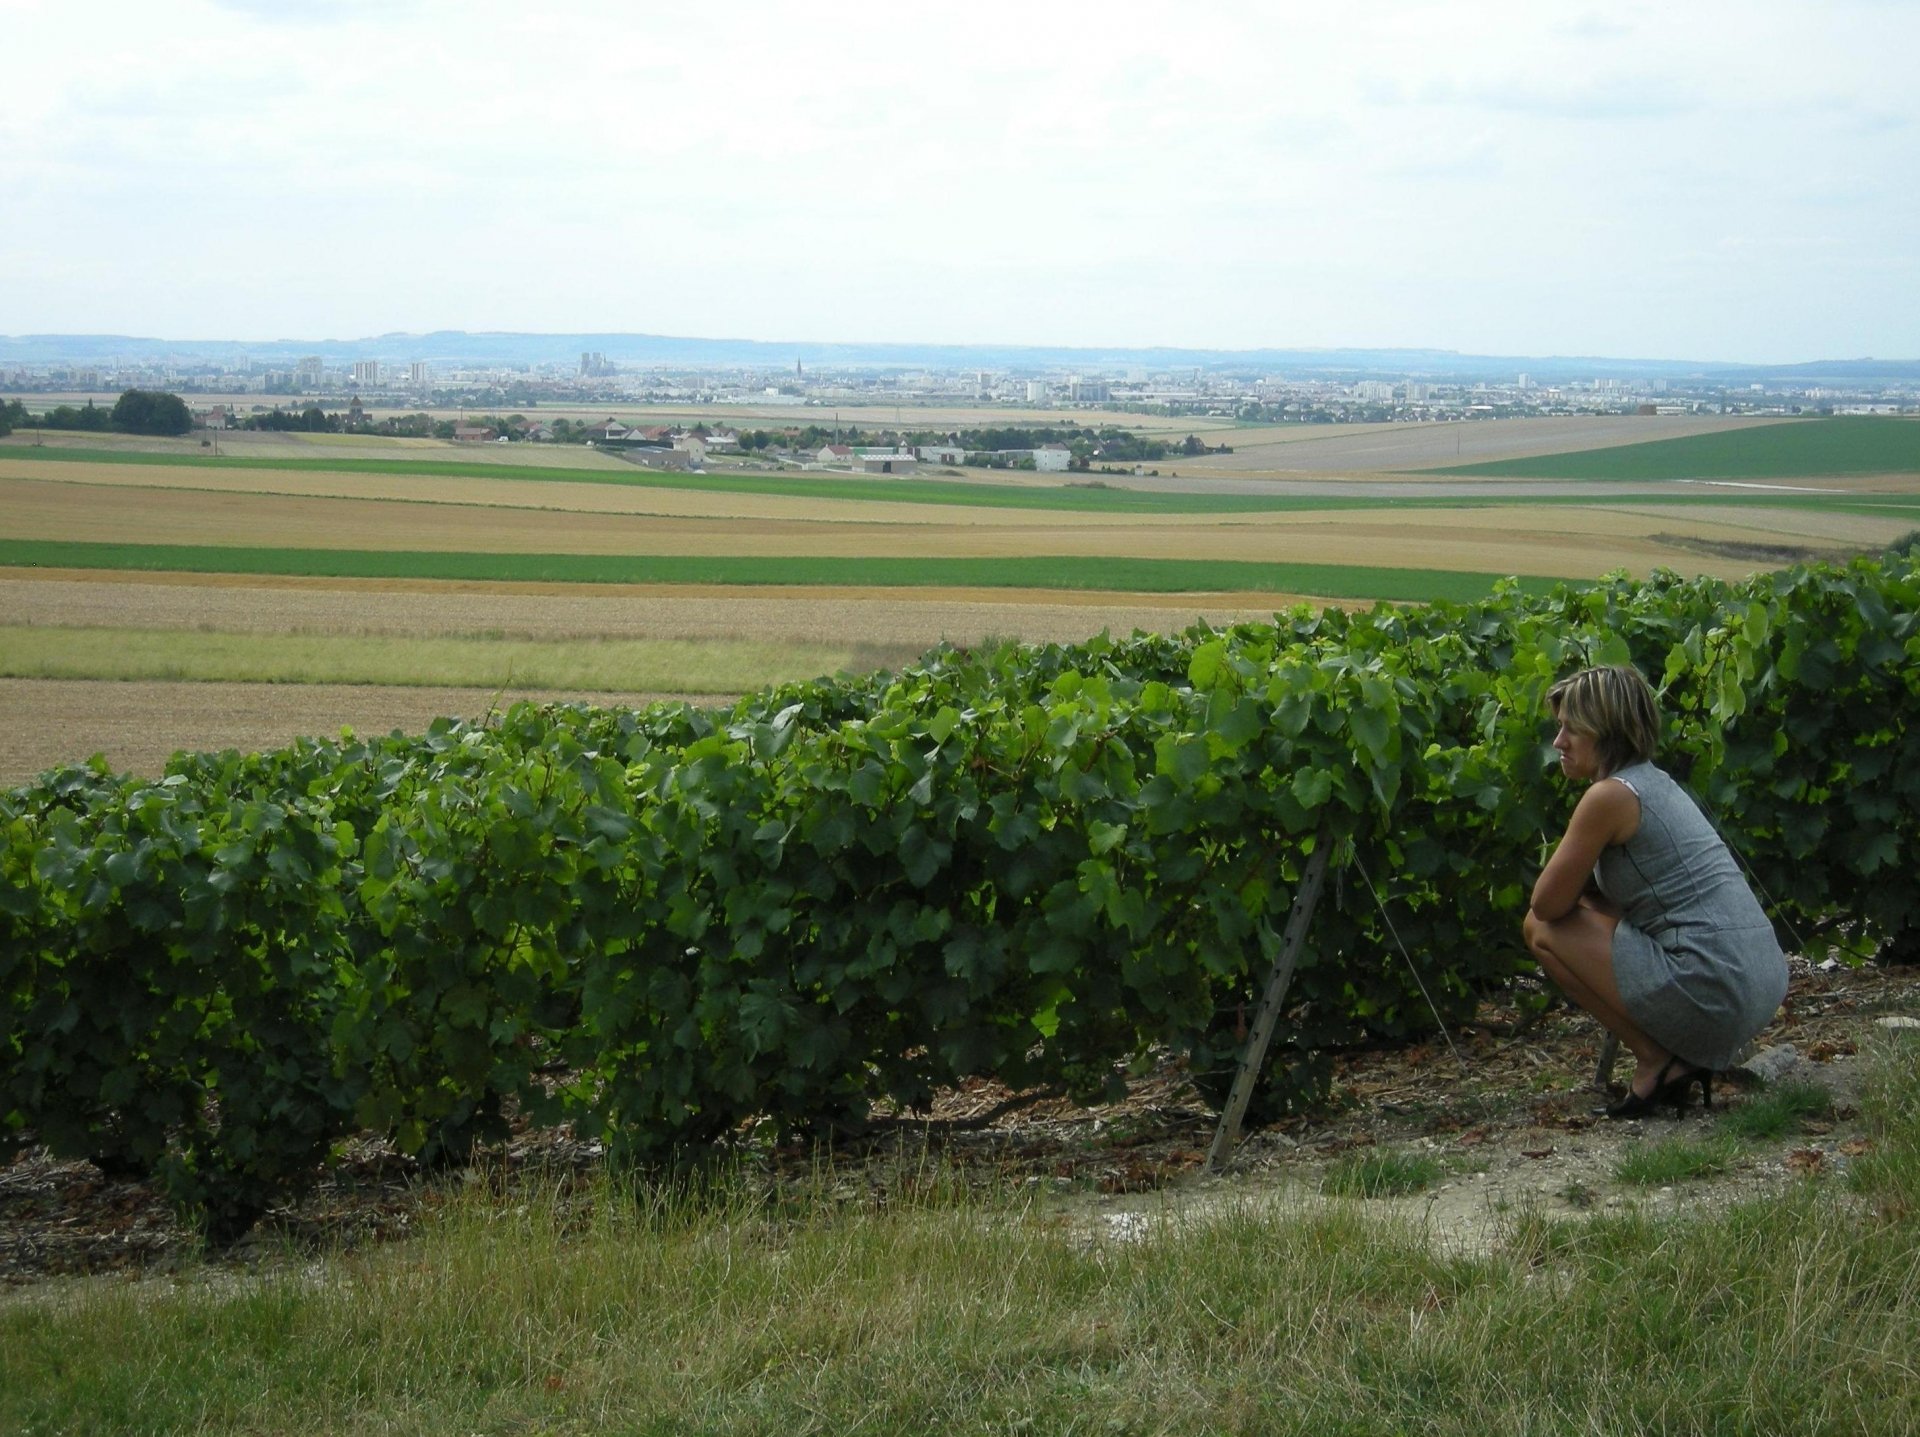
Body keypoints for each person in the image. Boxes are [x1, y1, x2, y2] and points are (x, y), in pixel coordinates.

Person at [1522, 664, 1788, 1118]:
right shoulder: (1654, 782)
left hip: (1719, 986)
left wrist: (1576, 891)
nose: (1558, 741)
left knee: (1541, 929)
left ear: (1607, 733)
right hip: (1760, 980)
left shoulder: (1608, 797)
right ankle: (1672, 1060)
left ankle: (1658, 1062)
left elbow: (1546, 905)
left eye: (1572, 729)